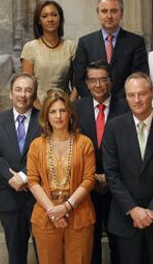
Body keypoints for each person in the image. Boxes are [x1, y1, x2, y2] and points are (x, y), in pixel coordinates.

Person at [102, 72, 153, 264]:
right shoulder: (114, 128)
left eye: (142, 93)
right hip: (126, 221)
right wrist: (133, 209)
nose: (137, 99)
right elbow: (111, 174)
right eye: (131, 95)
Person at [27, 89, 96, 264]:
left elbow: (89, 180)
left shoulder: (84, 143)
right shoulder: (37, 145)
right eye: (53, 111)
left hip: (79, 213)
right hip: (46, 214)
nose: (58, 116)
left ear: (70, 113)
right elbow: (33, 181)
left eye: (62, 110)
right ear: (46, 116)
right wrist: (53, 211)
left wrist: (66, 207)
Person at [73, 60, 128, 264]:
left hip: (119, 187)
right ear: (86, 83)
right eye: (93, 80)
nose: (98, 85)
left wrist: (110, 176)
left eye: (103, 79)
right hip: (87, 187)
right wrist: (92, 177)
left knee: (119, 244)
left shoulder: (125, 107)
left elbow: (129, 148)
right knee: (90, 244)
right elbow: (73, 147)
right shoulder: (76, 108)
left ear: (111, 81)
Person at [0, 73, 41, 264]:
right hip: (9, 198)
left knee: (46, 254)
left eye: (28, 90)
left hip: (39, 197)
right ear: (10, 94)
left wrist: (24, 176)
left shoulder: (44, 121)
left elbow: (45, 154)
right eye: (18, 89)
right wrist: (11, 179)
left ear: (34, 94)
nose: (22, 95)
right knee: (16, 256)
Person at [73, 0, 149, 99]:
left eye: (113, 11)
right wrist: (97, 101)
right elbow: (79, 79)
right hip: (95, 106)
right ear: (98, 14)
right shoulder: (85, 43)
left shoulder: (136, 42)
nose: (109, 16)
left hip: (125, 105)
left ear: (121, 13)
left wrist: (119, 102)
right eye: (104, 11)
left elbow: (139, 76)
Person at [21, 0, 77, 108]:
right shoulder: (30, 48)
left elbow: (77, 84)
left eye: (54, 15)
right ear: (39, 21)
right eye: (45, 16)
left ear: (60, 18)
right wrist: (41, 111)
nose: (50, 19)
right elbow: (28, 86)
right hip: (37, 107)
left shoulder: (71, 47)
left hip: (64, 106)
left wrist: (69, 105)